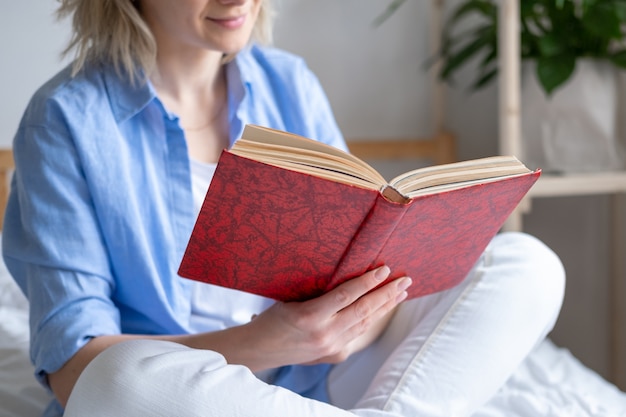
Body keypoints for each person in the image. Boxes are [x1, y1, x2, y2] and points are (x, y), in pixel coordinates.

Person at [2, 0, 565, 416]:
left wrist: (357, 317)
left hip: (323, 374)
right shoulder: (66, 120)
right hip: (188, 395)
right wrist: (270, 341)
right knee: (115, 382)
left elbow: (353, 254)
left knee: (525, 264)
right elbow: (74, 371)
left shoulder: (289, 82)